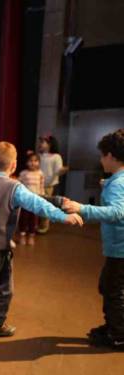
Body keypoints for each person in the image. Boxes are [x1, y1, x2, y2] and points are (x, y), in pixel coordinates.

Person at [0, 142, 82, 337]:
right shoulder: (14, 188)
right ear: (14, 166)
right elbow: (38, 204)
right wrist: (62, 216)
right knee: (3, 288)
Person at [63, 129, 124, 350]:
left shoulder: (118, 183)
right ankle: (114, 327)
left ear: (110, 156)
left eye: (101, 155)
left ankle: (118, 335)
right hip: (118, 248)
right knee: (108, 286)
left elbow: (117, 212)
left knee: (113, 290)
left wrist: (82, 209)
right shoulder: (118, 180)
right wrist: (107, 185)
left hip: (120, 249)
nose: (100, 159)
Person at [17, 152, 45, 245]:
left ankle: (31, 236)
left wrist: (42, 197)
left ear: (39, 162)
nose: (33, 163)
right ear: (26, 162)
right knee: (23, 218)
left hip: (35, 200)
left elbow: (41, 187)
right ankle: (22, 235)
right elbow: (18, 185)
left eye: (35, 161)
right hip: (25, 200)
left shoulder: (40, 174)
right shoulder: (23, 173)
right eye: (30, 161)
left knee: (33, 219)